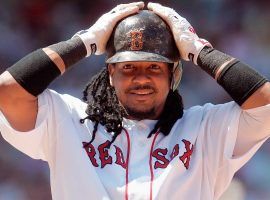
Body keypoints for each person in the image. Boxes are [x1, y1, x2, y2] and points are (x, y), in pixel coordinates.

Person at [0, 2, 270, 200]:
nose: (141, 78)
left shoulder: (206, 129)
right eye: (128, 67)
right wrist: (84, 42)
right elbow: (9, 90)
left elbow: (265, 106)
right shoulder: (68, 119)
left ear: (173, 75)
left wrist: (201, 51)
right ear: (110, 74)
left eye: (154, 67)